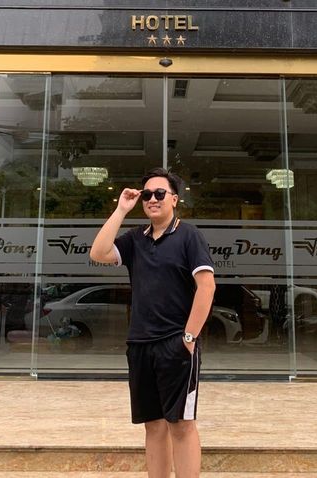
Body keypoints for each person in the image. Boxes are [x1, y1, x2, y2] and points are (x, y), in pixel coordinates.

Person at [90, 167, 215, 478]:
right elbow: (99, 252)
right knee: (153, 425)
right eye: (147, 194)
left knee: (181, 424)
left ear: (174, 199)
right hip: (140, 345)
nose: (152, 199)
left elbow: (207, 286)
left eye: (160, 193)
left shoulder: (189, 236)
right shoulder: (136, 239)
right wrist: (121, 209)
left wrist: (189, 338)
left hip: (176, 345)